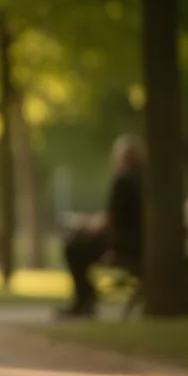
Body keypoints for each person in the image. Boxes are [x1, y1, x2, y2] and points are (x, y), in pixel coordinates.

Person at [59, 135, 145, 318]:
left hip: (124, 244)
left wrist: (84, 224)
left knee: (72, 246)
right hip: (139, 242)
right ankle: (86, 297)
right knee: (78, 244)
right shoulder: (145, 180)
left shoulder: (124, 181)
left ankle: (84, 300)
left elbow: (109, 220)